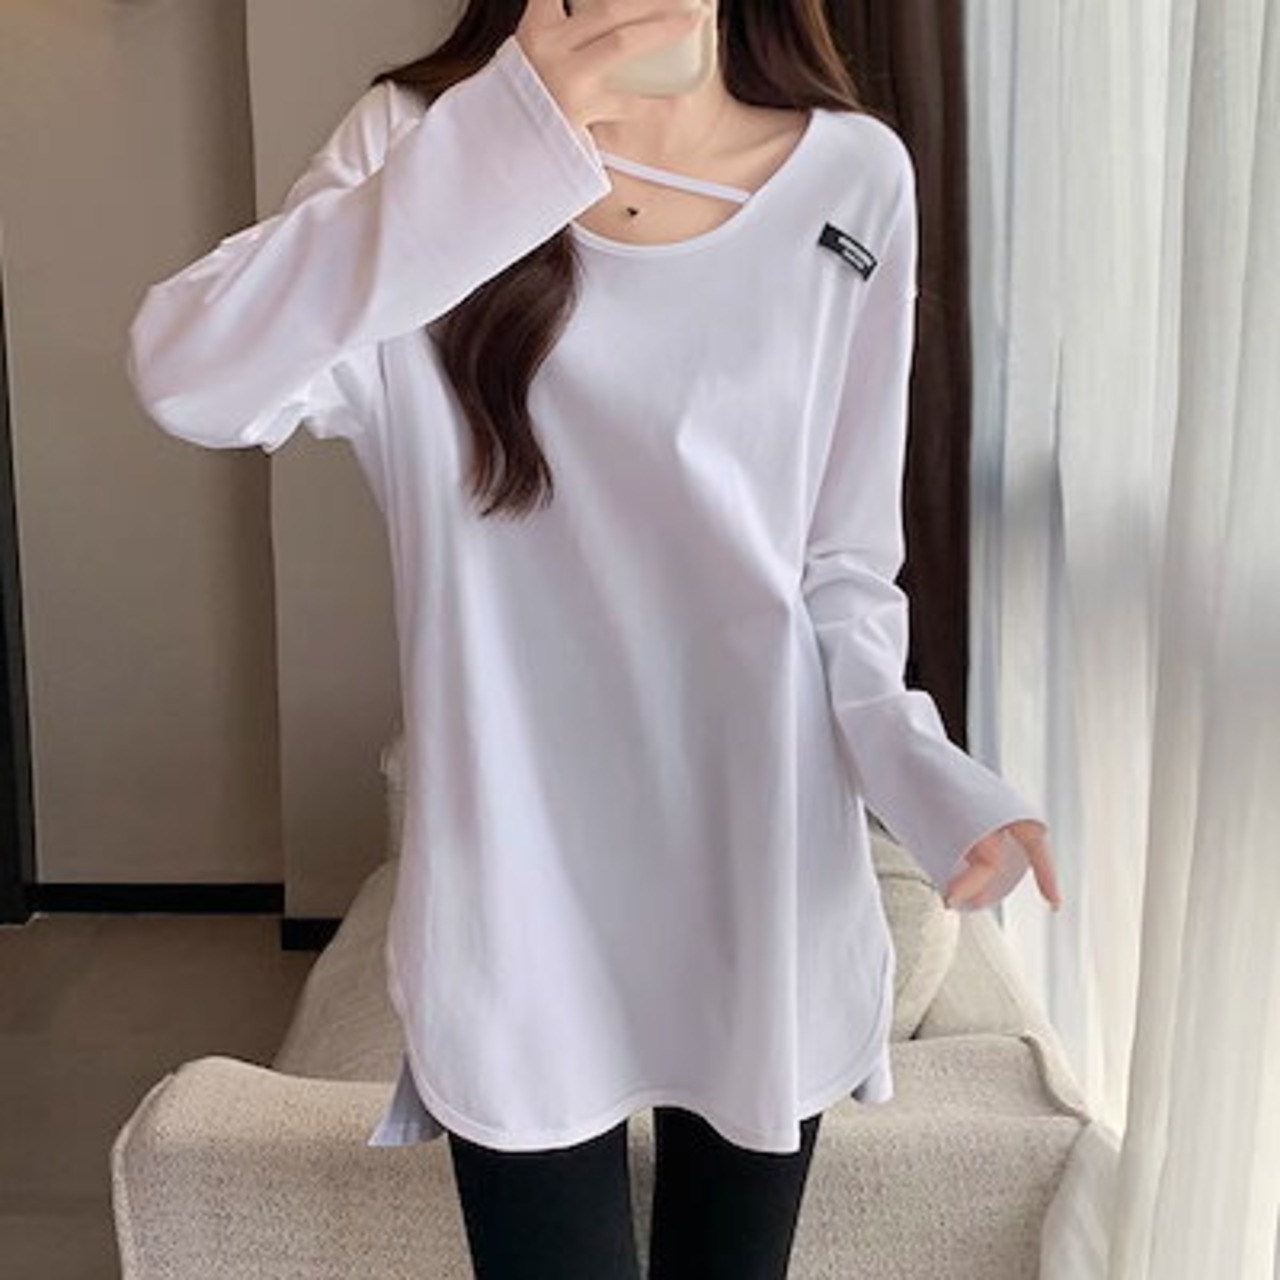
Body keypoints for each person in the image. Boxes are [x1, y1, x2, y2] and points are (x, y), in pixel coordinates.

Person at [124, 0, 1064, 1275]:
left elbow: (839, 568)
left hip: (761, 866)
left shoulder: (853, 176)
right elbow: (190, 376)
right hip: (516, 888)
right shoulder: (418, 142)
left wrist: (923, 771)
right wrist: (505, 145)